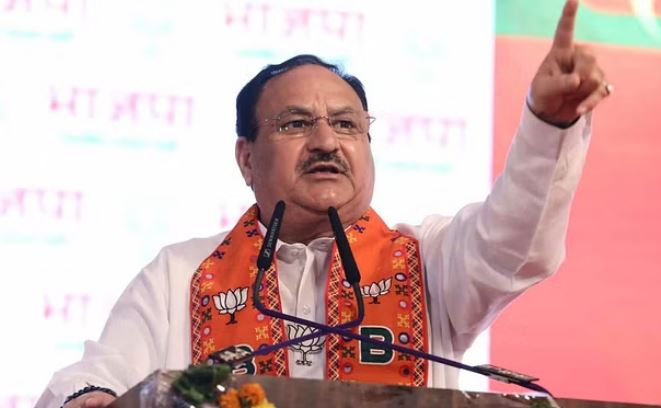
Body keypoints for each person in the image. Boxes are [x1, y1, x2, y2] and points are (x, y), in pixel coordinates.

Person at [38, 1, 610, 406]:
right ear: (246, 158)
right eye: (295, 124)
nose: (326, 142)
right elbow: (93, 378)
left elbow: (516, 243)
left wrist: (548, 124)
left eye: (346, 124)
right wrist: (91, 397)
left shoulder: (429, 260)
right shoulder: (180, 275)